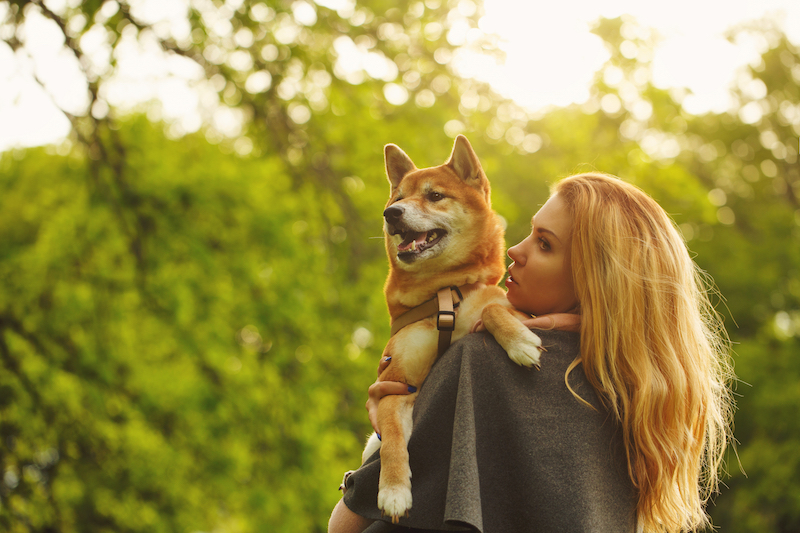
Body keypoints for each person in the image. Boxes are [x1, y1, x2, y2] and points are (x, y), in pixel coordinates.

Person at [329, 173, 734, 533]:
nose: (515, 251)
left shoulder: (482, 359)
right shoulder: (640, 402)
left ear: (595, 279)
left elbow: (346, 524)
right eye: (529, 233)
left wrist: (388, 432)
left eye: (544, 244)